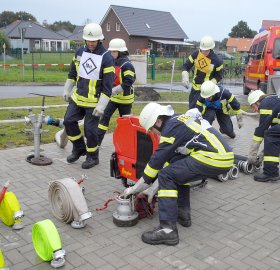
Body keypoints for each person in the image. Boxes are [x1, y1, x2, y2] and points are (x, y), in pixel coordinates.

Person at [122, 103, 234, 246]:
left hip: (213, 156)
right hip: (223, 156)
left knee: (165, 175)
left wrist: (134, 188)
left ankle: (168, 230)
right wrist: (151, 189)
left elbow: (156, 162)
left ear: (158, 121)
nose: (152, 132)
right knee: (177, 171)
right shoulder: (177, 121)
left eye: (151, 129)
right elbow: (171, 162)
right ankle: (183, 215)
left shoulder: (170, 128)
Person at [62, 23, 114, 169]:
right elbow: (72, 73)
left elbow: (108, 86)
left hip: (94, 102)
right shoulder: (79, 52)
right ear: (85, 40)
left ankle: (93, 157)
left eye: (94, 40)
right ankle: (79, 148)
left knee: (90, 131)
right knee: (68, 121)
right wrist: (67, 89)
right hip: (78, 98)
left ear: (100, 40)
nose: (91, 43)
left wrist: (102, 105)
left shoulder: (106, 57)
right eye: (89, 40)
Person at [97, 38, 136, 145]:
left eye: (114, 51)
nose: (111, 53)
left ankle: (127, 144)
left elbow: (128, 82)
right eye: (111, 51)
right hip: (113, 98)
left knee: (125, 123)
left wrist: (113, 91)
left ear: (120, 51)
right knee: (104, 118)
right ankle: (97, 142)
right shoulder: (112, 62)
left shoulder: (127, 65)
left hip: (125, 100)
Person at [181, 35, 224, 108]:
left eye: (206, 50)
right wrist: (184, 75)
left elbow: (219, 76)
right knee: (192, 111)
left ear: (210, 48)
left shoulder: (217, 61)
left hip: (206, 91)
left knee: (203, 114)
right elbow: (186, 66)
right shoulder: (196, 54)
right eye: (202, 49)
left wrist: (210, 84)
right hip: (194, 90)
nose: (203, 52)